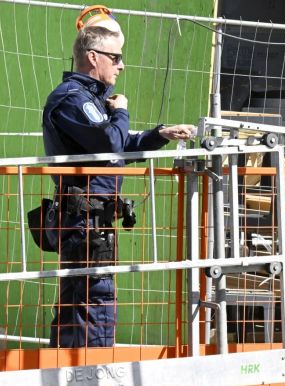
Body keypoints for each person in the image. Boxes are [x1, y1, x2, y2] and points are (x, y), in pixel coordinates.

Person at [42, 24, 193, 348]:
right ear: (93, 57)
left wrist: (159, 134)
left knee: (79, 304)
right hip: (85, 223)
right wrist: (121, 110)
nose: (121, 65)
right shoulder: (73, 99)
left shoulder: (91, 102)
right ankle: (89, 384)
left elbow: (117, 142)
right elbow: (110, 141)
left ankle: (65, 380)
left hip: (92, 221)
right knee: (94, 302)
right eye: (116, 57)